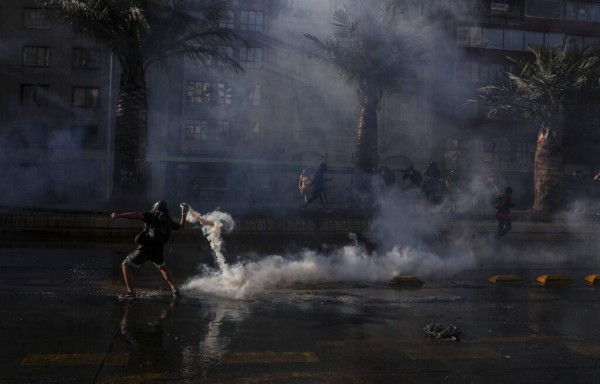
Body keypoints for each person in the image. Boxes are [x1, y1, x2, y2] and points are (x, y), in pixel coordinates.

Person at [110, 201, 195, 299]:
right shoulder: (168, 220)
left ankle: (131, 293)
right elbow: (182, 227)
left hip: (146, 248)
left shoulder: (152, 215)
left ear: (155, 207)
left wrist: (119, 215)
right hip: (159, 249)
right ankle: (174, 289)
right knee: (162, 267)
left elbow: (136, 215)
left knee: (125, 265)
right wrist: (183, 213)